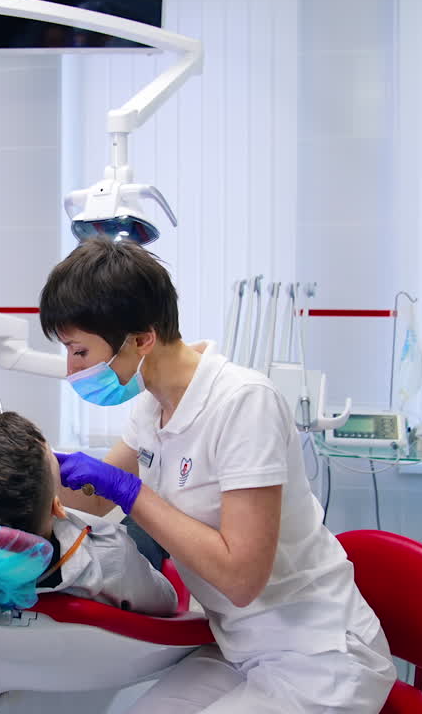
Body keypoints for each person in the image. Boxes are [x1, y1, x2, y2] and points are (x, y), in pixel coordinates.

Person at [38, 238, 397, 713]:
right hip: (235, 646)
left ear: (142, 339)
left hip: (317, 653)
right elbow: (93, 496)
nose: (71, 370)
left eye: (80, 351)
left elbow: (241, 578)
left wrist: (132, 493)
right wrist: (20, 475)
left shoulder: (244, 403)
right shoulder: (152, 408)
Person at [0, 409, 178, 616]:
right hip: (124, 624)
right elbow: (166, 602)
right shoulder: (111, 554)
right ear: (58, 507)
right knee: (147, 523)